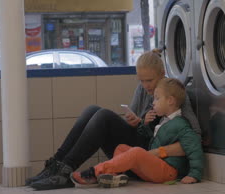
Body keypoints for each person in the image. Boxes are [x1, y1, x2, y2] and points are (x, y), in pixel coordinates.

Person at [28, 50, 201, 190]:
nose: (145, 86)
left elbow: (195, 136)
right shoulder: (143, 89)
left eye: (150, 80)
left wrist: (157, 152)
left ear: (162, 74)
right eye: (141, 81)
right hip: (138, 142)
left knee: (104, 116)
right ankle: (55, 166)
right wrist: (136, 121)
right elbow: (135, 123)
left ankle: (65, 171)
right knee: (92, 110)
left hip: (149, 153)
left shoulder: (173, 93)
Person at [70, 78, 203, 187]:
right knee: (121, 148)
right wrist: (144, 125)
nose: (153, 103)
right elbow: (155, 141)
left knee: (137, 152)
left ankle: (94, 172)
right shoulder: (164, 121)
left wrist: (194, 174)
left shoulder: (181, 124)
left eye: (157, 98)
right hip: (157, 165)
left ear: (170, 101)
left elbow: (194, 146)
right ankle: (114, 176)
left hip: (168, 171)